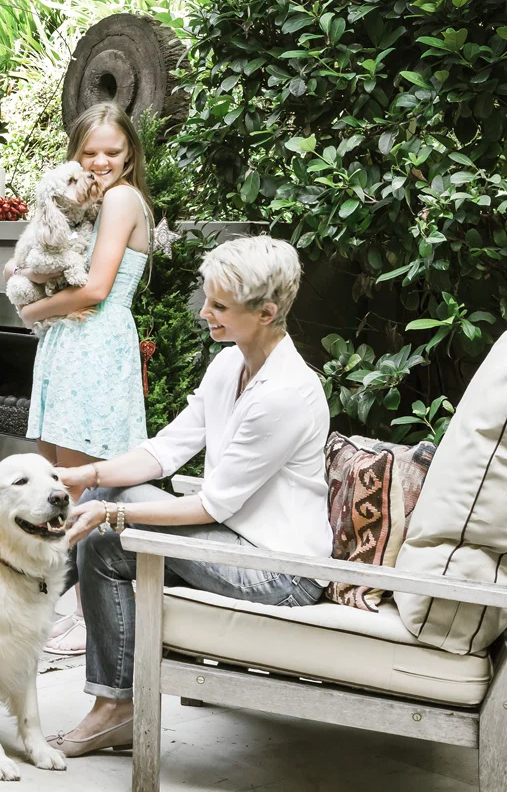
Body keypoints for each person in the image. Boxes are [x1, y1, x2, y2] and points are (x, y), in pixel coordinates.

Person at [46, 235, 330, 757]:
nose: (204, 314)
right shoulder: (230, 364)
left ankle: (116, 710)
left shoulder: (285, 395)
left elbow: (209, 505)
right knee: (110, 490)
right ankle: (12, 612)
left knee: (108, 539)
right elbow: (165, 451)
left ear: (266, 312)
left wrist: (113, 513)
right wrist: (89, 474)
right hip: (232, 539)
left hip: (281, 570)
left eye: (219, 306)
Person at [4, 102, 154, 657]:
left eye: (111, 152)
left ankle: (86, 616)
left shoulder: (121, 198)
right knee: (56, 483)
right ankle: (58, 605)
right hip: (69, 346)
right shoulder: (87, 204)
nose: (98, 162)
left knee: (78, 487)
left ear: (130, 155)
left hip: (93, 345)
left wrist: (30, 312)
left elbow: (94, 290)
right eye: (88, 152)